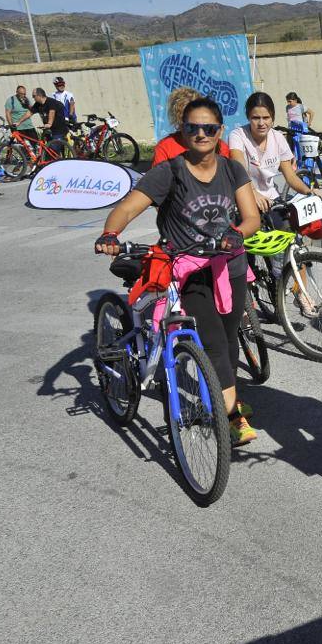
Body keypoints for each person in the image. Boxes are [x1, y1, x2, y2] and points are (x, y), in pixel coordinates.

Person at [95, 97, 261, 444]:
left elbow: (251, 218)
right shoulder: (169, 172)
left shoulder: (232, 168)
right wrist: (111, 233)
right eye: (193, 128)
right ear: (182, 132)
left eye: (209, 128)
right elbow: (127, 208)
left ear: (219, 132)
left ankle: (222, 397)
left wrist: (235, 234)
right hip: (187, 269)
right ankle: (230, 416)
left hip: (229, 266)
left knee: (230, 339)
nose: (201, 134)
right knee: (213, 340)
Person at [228, 92, 316, 213]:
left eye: (266, 118)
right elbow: (239, 167)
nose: (261, 123)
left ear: (272, 118)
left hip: (271, 198)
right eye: (255, 118)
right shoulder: (238, 135)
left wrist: (308, 191)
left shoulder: (278, 138)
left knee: (291, 228)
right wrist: (253, 192)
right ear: (248, 117)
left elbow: (290, 176)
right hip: (244, 197)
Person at [153, 86, 230, 166]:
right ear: (180, 124)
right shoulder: (165, 147)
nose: (201, 134)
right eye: (192, 126)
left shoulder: (220, 146)